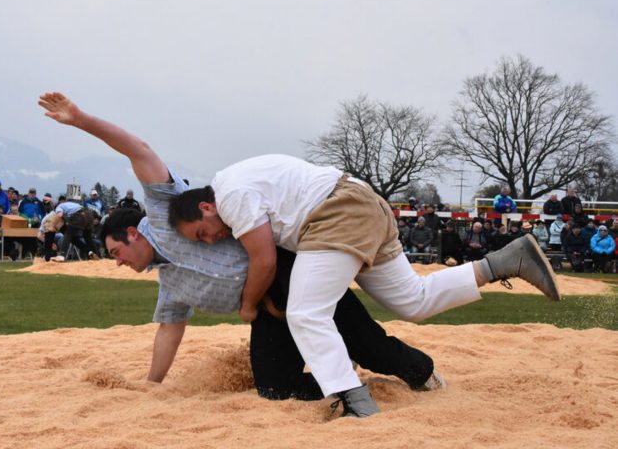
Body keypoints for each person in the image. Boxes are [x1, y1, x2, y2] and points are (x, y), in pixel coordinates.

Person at [38, 91, 447, 408]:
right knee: (273, 387)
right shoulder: (169, 284)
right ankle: (342, 386)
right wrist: (152, 386)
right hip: (265, 311)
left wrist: (81, 120)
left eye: (116, 253)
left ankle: (421, 373)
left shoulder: (169, 209)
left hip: (286, 272)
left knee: (366, 342)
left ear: (133, 234)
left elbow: (138, 150)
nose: (120, 263)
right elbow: (169, 330)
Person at [169, 155, 559, 417]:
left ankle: (353, 400)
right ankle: (505, 262)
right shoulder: (237, 181)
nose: (210, 239)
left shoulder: (230, 195)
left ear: (205, 207)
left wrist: (248, 305)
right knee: (413, 300)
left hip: (336, 212)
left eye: (203, 233)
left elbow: (265, 259)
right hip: (363, 205)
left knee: (307, 312)